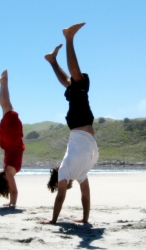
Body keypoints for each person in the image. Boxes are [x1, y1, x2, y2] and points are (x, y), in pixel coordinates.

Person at [42, 23, 99, 224]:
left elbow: (61, 197)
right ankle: (52, 60)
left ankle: (69, 38)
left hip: (79, 122)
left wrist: (54, 221)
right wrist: (84, 219)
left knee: (79, 83)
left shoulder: (68, 170)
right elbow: (85, 196)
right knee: (72, 84)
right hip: (78, 122)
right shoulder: (79, 173)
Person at [0, 70, 25, 207]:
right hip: (11, 138)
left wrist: (12, 203)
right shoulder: (8, 171)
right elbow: (14, 190)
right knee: (6, 106)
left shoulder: (10, 171)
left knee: (6, 107)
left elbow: (14, 190)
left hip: (14, 138)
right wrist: (12, 203)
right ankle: (4, 83)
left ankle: (4, 83)